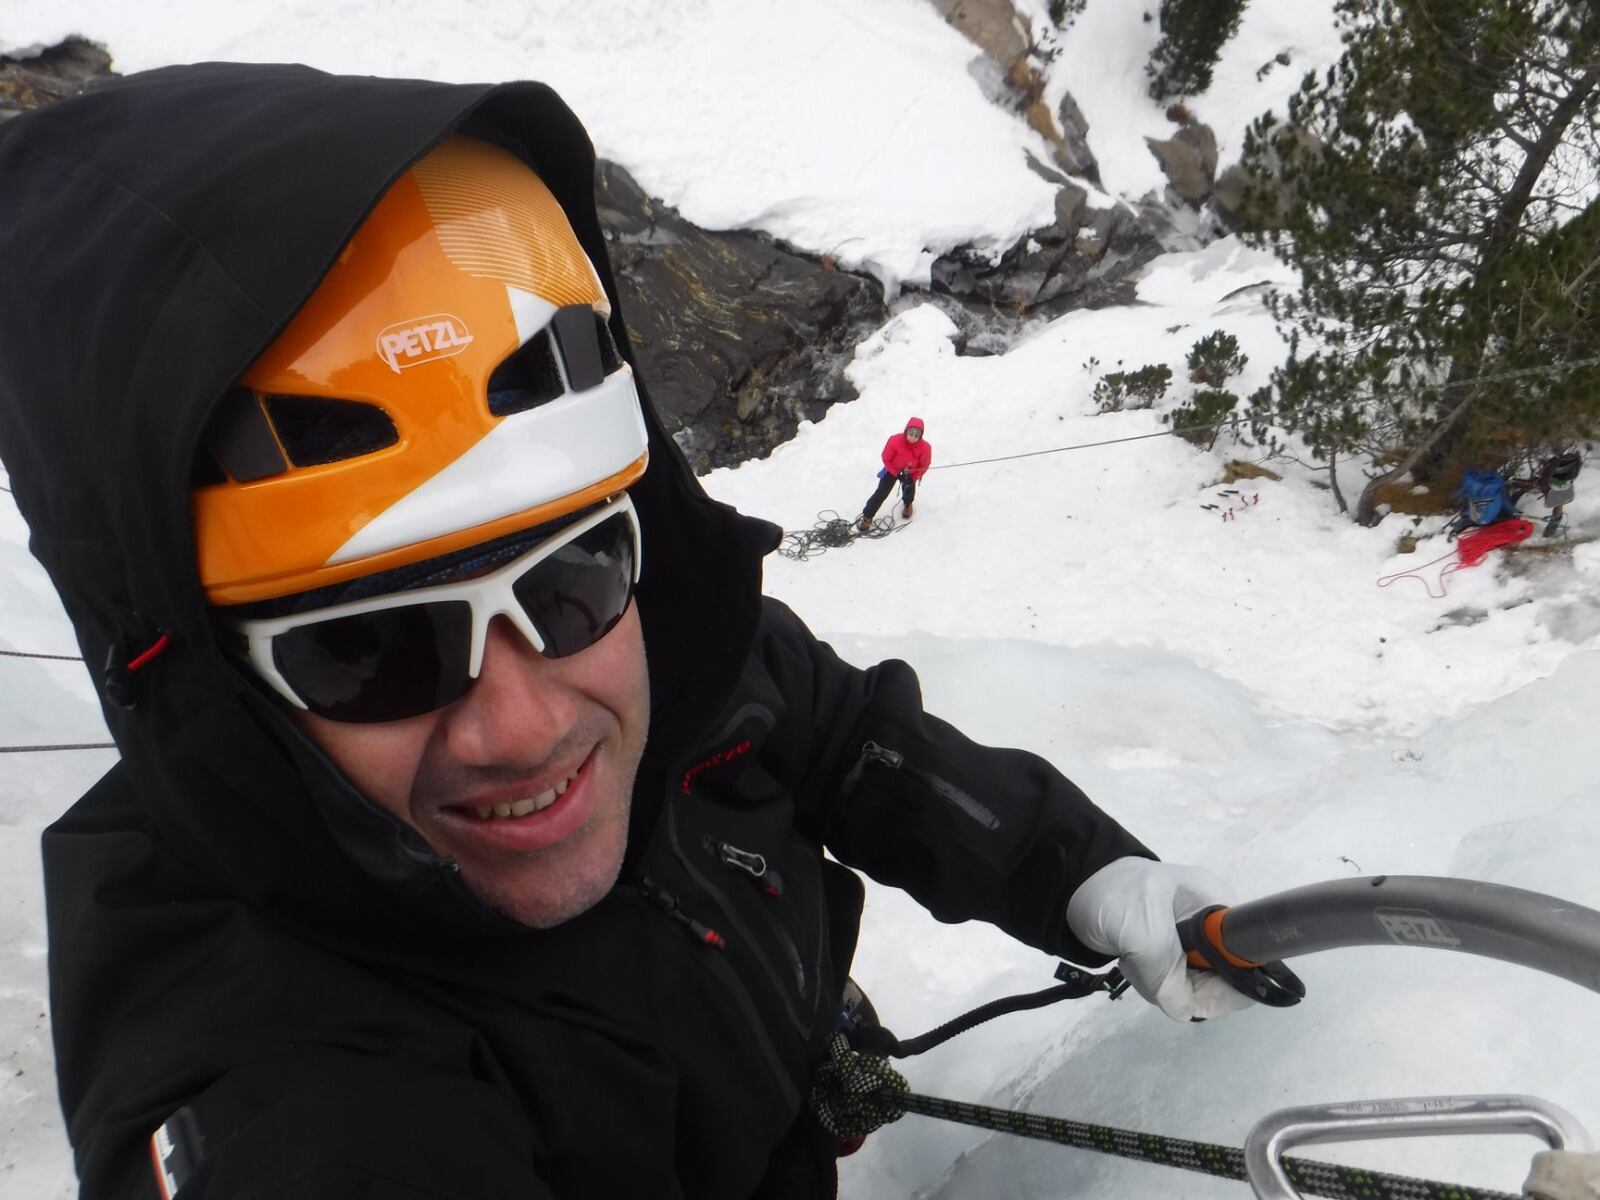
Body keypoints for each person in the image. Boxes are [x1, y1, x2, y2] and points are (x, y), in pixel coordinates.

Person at [0, 64, 1260, 1200]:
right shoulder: (268, 1058)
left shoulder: (681, 647)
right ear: (216, 683)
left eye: (568, 582)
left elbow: (843, 736)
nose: (527, 720)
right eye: (373, 652)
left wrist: (1079, 870)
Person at [856, 417, 931, 532]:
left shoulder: (925, 448)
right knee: (881, 493)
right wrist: (895, 472)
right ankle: (867, 516)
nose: (913, 438)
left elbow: (924, 464)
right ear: (906, 432)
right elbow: (886, 458)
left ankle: (907, 505)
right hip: (892, 469)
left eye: (916, 436)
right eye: (911, 434)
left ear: (920, 436)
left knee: (909, 490)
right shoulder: (894, 440)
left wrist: (914, 476)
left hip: (910, 472)